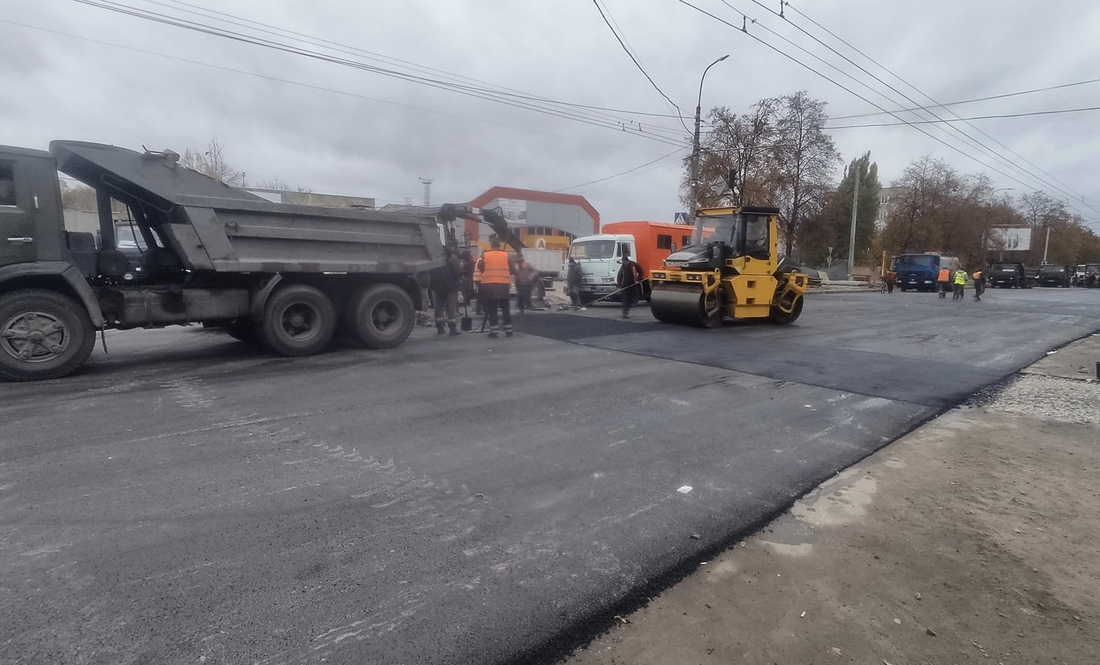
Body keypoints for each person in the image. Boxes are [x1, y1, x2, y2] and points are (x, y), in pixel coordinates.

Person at [475, 237, 515, 338]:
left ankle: (494, 331)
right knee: (505, 308)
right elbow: (513, 269)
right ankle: (509, 330)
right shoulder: (506, 255)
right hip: (503, 286)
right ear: (499, 245)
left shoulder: (486, 255)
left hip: (489, 286)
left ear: (491, 245)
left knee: (492, 308)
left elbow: (480, 267)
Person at [430, 247, 463, 335]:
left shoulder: (436, 259)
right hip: (451, 286)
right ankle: (452, 328)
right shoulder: (453, 259)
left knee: (439, 306)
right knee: (451, 307)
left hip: (439, 286)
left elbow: (431, 272)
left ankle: (439, 327)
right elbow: (458, 271)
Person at [616, 252, 644, 319]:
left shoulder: (634, 265)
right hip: (625, 285)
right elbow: (619, 276)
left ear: (627, 261)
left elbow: (641, 271)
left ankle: (628, 309)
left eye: (625, 262)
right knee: (625, 298)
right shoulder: (622, 267)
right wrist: (619, 286)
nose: (624, 264)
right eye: (623, 262)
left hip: (633, 284)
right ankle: (625, 312)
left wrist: (638, 279)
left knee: (631, 298)